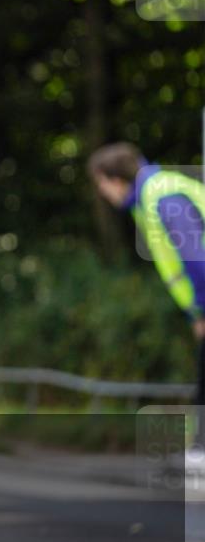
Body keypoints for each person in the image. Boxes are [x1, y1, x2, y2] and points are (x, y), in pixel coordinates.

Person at [88, 142, 205, 412]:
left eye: (101, 184)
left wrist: (201, 312)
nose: (102, 192)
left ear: (116, 180)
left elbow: (196, 258)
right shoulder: (150, 196)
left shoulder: (161, 196)